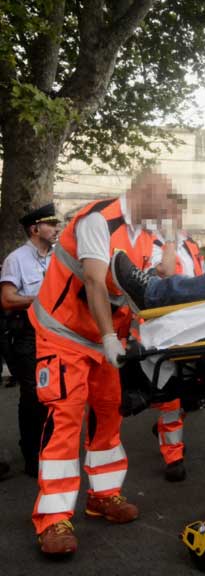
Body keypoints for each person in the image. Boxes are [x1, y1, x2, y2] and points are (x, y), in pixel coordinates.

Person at [28, 169, 182, 556]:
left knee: (108, 415)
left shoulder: (144, 236)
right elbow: (96, 281)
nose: (167, 210)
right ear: (142, 192)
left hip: (101, 340)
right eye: (164, 201)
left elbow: (141, 287)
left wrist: (170, 244)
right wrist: (112, 338)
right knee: (66, 417)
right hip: (64, 333)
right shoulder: (100, 219)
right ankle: (53, 518)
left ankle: (104, 495)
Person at [0, 204, 60, 478]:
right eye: (51, 224)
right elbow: (7, 299)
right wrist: (39, 300)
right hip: (28, 335)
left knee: (56, 395)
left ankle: (52, 449)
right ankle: (32, 455)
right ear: (35, 229)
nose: (56, 229)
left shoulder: (58, 258)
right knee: (33, 395)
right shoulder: (17, 259)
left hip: (58, 335)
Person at [145, 229, 205, 482]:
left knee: (193, 395)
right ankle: (173, 456)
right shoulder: (150, 244)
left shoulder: (191, 244)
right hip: (164, 332)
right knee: (171, 397)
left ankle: (165, 427)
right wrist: (170, 241)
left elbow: (201, 282)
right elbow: (164, 273)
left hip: (194, 329)